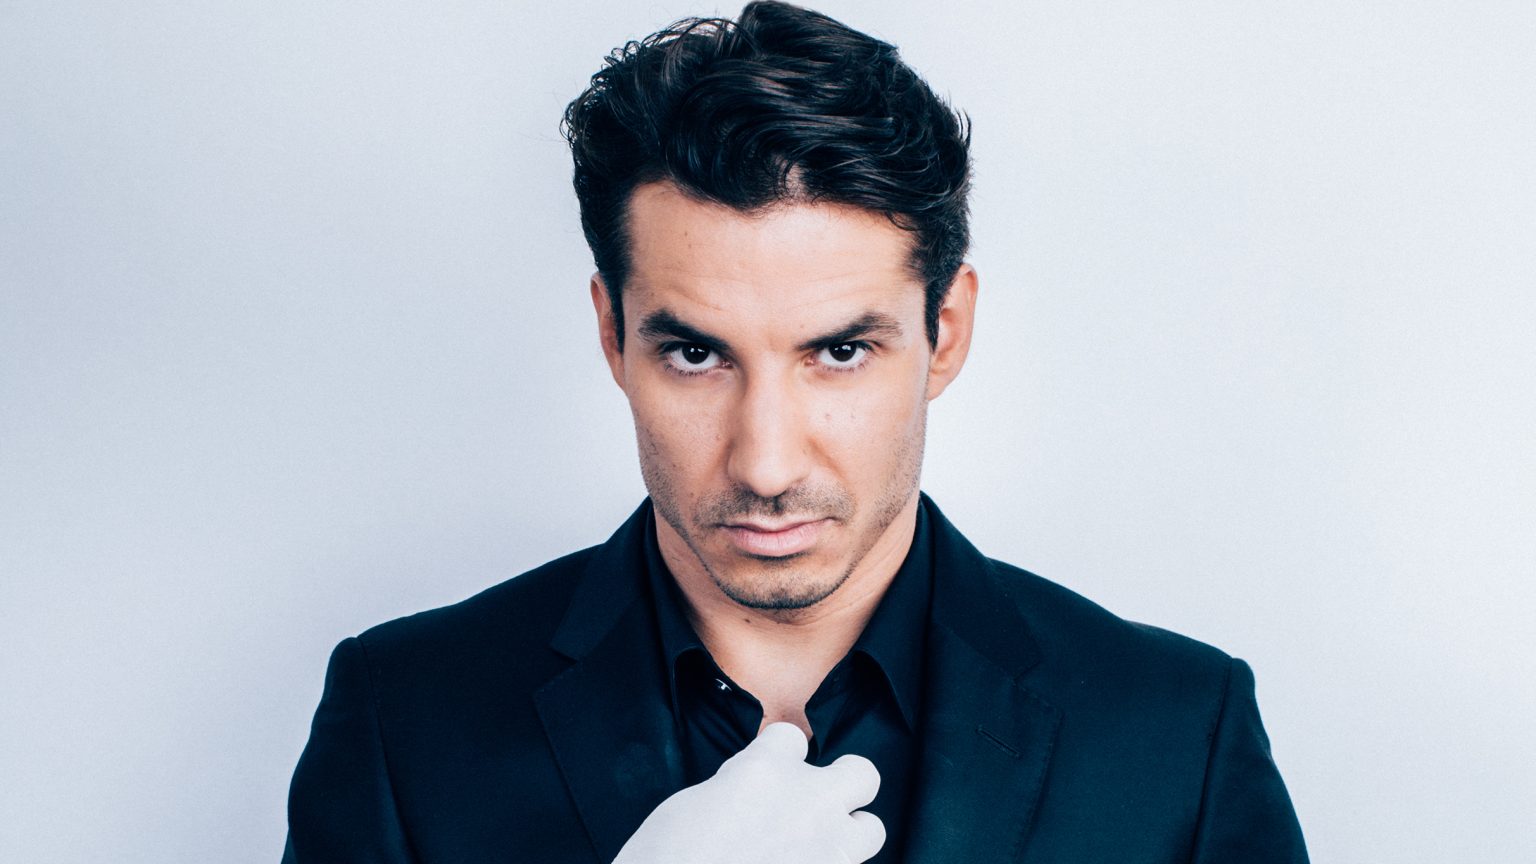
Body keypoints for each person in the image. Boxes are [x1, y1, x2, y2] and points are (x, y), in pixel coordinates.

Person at [281, 3, 1309, 862]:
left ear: (945, 331)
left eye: (840, 352)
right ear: (612, 334)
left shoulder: (1175, 734)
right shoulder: (404, 721)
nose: (767, 464)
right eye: (697, 355)